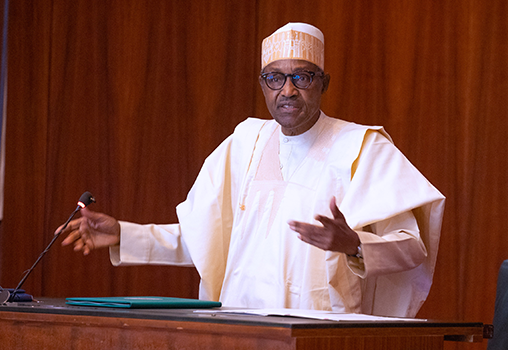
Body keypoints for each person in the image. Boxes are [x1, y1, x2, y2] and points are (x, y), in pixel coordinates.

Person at [60, 22, 445, 318]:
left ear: (323, 83)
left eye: (303, 76)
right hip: (239, 327)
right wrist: (125, 235)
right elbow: (206, 239)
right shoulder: (244, 143)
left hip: (319, 332)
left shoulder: (362, 146)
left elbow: (411, 248)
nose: (288, 90)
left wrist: (355, 245)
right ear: (263, 85)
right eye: (275, 78)